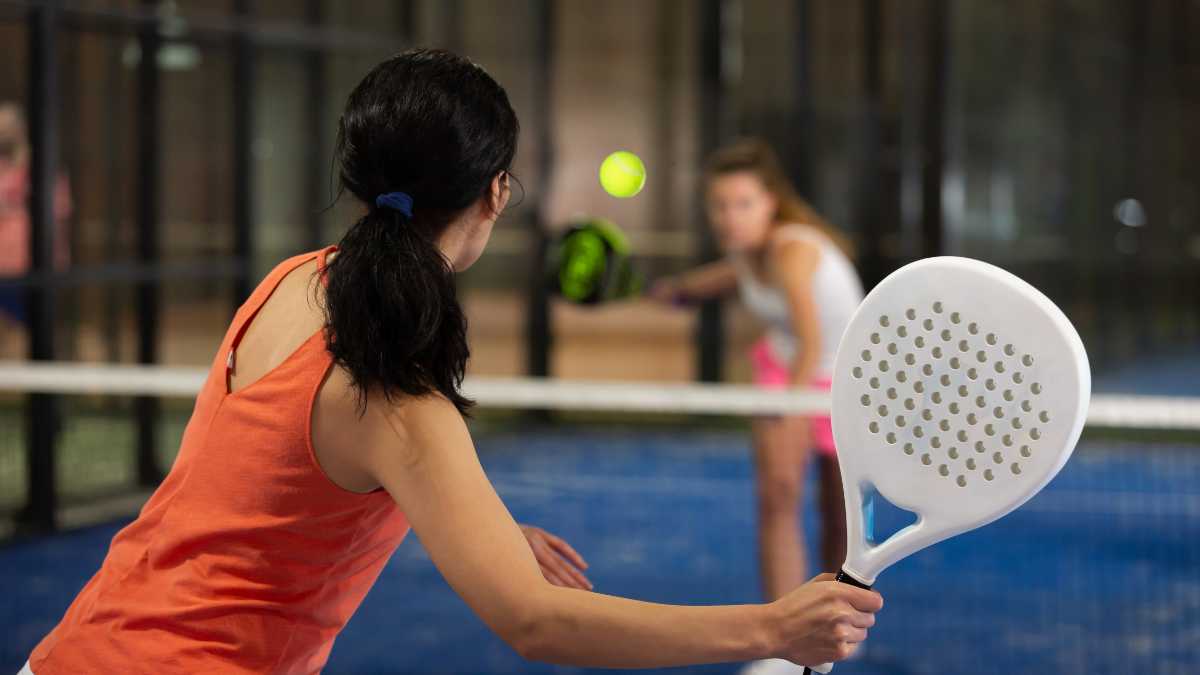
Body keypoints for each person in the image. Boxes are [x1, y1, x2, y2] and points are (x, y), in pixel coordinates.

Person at [21, 51, 879, 675]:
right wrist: (772, 628)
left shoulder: (292, 282)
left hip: (74, 650)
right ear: (495, 192)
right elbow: (537, 622)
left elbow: (292, 480)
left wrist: (490, 527)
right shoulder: (395, 391)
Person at [651, 139, 867, 675]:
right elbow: (717, 280)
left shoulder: (794, 248)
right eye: (720, 206)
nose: (730, 217)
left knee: (839, 518)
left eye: (743, 204)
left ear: (771, 203)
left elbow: (814, 341)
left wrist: (792, 409)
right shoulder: (745, 255)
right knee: (777, 498)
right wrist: (670, 291)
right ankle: (786, 642)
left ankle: (834, 628)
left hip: (844, 382)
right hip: (784, 370)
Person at [0, 102, 71, 351]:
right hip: (3, 267)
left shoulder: (41, 168)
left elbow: (59, 209)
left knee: (35, 336)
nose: (4, 133)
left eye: (9, 126)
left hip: (33, 266)